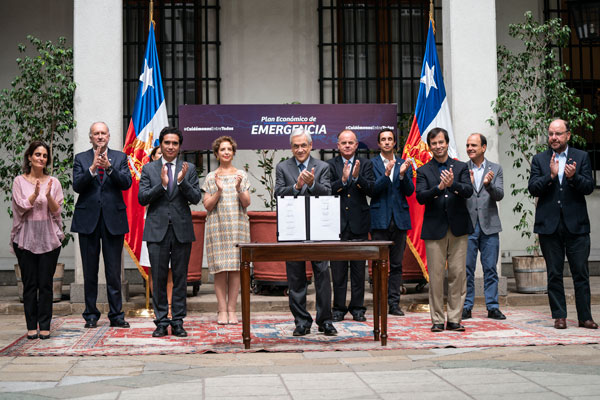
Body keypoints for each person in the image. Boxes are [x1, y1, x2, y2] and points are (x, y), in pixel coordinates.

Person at [528, 118, 597, 330]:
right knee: (554, 273)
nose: (553, 138)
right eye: (550, 134)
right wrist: (550, 176)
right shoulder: (539, 160)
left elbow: (589, 187)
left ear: (568, 135)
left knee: (580, 273)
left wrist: (574, 177)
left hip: (576, 226)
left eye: (558, 134)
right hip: (549, 226)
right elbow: (533, 188)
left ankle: (585, 317)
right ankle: (559, 316)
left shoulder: (581, 157)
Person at [139, 126, 201, 337]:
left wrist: (182, 182)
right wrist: (162, 186)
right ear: (161, 144)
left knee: (180, 278)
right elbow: (142, 198)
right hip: (157, 230)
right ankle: (161, 321)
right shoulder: (149, 169)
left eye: (175, 143)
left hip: (181, 230)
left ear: (180, 146)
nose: (171, 146)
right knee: (157, 277)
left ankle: (178, 321)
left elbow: (195, 198)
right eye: (167, 143)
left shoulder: (189, 168)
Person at [274, 126, 336, 336]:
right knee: (296, 278)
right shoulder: (282, 167)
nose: (300, 149)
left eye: (303, 145)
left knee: (322, 276)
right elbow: (278, 194)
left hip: (319, 228)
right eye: (296, 146)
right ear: (291, 148)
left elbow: (327, 193)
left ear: (311, 146)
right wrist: (296, 186)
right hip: (293, 229)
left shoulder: (322, 166)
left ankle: (325, 321)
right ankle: (301, 321)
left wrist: (312, 185)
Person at [72, 122, 132, 329]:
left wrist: (109, 167)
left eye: (103, 133)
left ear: (109, 136)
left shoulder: (120, 157)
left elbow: (126, 183)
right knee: (90, 271)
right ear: (90, 137)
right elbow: (77, 185)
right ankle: (90, 315)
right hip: (88, 221)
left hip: (113, 220)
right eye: (96, 133)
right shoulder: (80, 158)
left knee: (114, 272)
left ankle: (116, 315)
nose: (99, 136)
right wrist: (91, 169)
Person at [416, 127, 473, 332]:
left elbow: (468, 191)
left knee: (458, 275)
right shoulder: (423, 170)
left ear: (447, 143)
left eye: (441, 142)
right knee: (437, 276)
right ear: (429, 147)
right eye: (434, 143)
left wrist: (453, 184)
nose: (438, 146)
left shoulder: (460, 167)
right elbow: (420, 197)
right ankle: (438, 320)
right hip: (434, 229)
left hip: (458, 228)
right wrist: (438, 188)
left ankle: (455, 319)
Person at [11, 141, 64, 340]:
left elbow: (57, 210)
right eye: (37, 154)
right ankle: (31, 326)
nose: (41, 158)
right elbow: (21, 207)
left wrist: (48, 195)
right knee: (30, 284)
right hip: (25, 239)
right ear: (30, 157)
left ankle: (45, 326)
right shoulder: (19, 181)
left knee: (46, 284)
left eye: (44, 155)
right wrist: (34, 195)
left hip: (49, 239)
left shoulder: (54, 182)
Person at [202, 136, 251, 325]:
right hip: (217, 227)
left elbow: (246, 203)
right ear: (216, 153)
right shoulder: (211, 177)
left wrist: (239, 188)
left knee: (236, 269)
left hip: (238, 227)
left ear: (233, 152)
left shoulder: (241, 175)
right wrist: (219, 191)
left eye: (229, 149)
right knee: (220, 270)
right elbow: (207, 205)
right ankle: (221, 310)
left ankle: (232, 310)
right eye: (222, 149)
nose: (226, 152)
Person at [327, 130, 374, 322]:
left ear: (356, 145)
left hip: (359, 223)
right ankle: (338, 308)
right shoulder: (329, 165)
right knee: (338, 271)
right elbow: (327, 189)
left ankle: (357, 308)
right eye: (343, 142)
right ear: (338, 145)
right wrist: (344, 180)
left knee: (357, 270)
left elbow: (372, 189)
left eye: (351, 143)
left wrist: (357, 178)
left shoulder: (366, 164)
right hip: (336, 224)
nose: (347, 145)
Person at [462, 133, 506, 321]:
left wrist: (488, 186)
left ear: (483, 147)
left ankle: (493, 307)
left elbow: (499, 195)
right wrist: (468, 186)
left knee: (490, 269)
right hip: (468, 227)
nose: (470, 148)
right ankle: (466, 306)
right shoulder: (462, 169)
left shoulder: (495, 169)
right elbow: (458, 195)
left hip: (490, 226)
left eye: (473, 145)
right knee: (466, 269)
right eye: (468, 145)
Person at [370, 129, 414, 317]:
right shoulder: (371, 164)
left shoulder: (405, 163)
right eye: (383, 140)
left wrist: (402, 175)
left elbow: (410, 191)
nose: (387, 142)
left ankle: (394, 304)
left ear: (395, 143)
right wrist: (387, 174)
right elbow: (372, 190)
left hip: (399, 220)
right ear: (379, 144)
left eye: (390, 139)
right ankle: (379, 302)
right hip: (379, 220)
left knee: (396, 265)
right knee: (379, 264)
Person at [139, 146, 173, 316]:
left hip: (172, 226)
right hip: (153, 225)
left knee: (170, 269)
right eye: (159, 153)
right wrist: (162, 184)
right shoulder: (148, 173)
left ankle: (170, 306)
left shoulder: (177, 171)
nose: (163, 155)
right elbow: (143, 199)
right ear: (153, 157)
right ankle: (159, 307)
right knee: (154, 268)